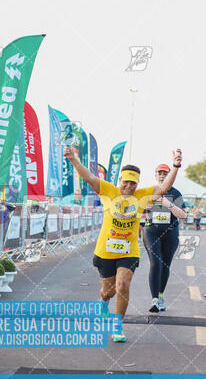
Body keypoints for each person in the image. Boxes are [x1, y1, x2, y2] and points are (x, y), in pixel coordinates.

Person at [64, 144, 183, 342]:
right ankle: (103, 300)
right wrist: (73, 159)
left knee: (122, 284)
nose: (128, 187)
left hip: (129, 251)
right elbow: (89, 178)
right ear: (120, 180)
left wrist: (176, 166)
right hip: (105, 250)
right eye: (126, 182)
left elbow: (164, 187)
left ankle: (118, 327)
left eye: (133, 184)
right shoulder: (108, 191)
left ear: (137, 184)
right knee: (108, 291)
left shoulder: (142, 195)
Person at [143, 163, 187, 312]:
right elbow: (137, 214)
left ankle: (161, 296)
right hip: (151, 232)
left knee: (165, 265)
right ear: (155, 175)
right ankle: (154, 300)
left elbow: (184, 215)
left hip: (170, 233)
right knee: (156, 264)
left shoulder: (176, 193)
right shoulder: (149, 192)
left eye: (165, 173)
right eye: (159, 173)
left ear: (170, 176)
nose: (162, 176)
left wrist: (169, 205)